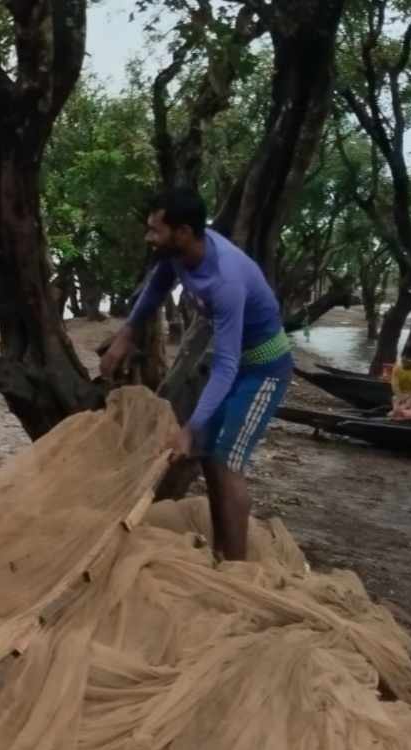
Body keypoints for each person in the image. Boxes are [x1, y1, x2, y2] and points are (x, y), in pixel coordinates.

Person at [100, 187, 292, 562]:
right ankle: (223, 552)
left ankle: (238, 572)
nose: (149, 237)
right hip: (236, 365)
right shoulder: (177, 256)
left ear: (184, 232)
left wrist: (189, 427)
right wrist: (126, 333)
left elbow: (225, 365)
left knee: (227, 459)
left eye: (156, 230)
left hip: (264, 370)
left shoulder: (226, 280)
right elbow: (156, 286)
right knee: (208, 455)